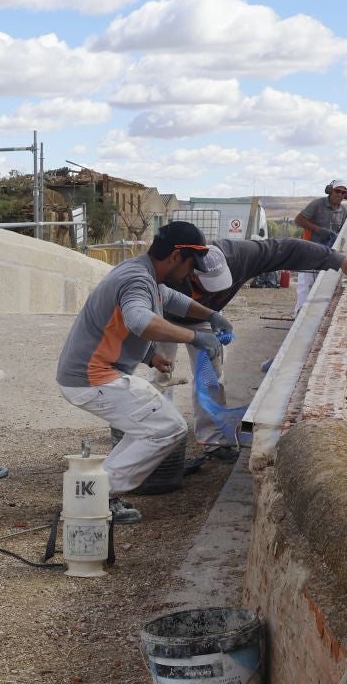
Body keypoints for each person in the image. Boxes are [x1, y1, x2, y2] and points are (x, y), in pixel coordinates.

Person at [56, 221, 231, 524]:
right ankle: (95, 496)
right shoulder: (137, 279)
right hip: (91, 377)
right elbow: (139, 320)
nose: (191, 273)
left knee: (151, 426)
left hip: (93, 374)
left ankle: (95, 492)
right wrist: (194, 336)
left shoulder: (144, 273)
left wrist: (210, 316)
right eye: (191, 265)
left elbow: (169, 299)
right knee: (168, 427)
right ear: (175, 256)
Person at [164, 235, 347, 460]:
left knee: (210, 376)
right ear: (190, 272)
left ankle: (212, 439)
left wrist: (339, 261)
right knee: (162, 376)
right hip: (162, 316)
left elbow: (286, 248)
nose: (213, 290)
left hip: (207, 316)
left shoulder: (241, 256)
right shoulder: (168, 268)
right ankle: (162, 438)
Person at [292, 178, 347, 309]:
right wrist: (318, 230)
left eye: (343, 193)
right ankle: (299, 315)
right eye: (337, 191)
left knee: (322, 288)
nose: (340, 194)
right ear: (330, 190)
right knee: (305, 287)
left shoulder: (343, 212)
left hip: (328, 255)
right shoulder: (317, 205)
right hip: (308, 252)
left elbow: (345, 232)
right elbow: (298, 220)